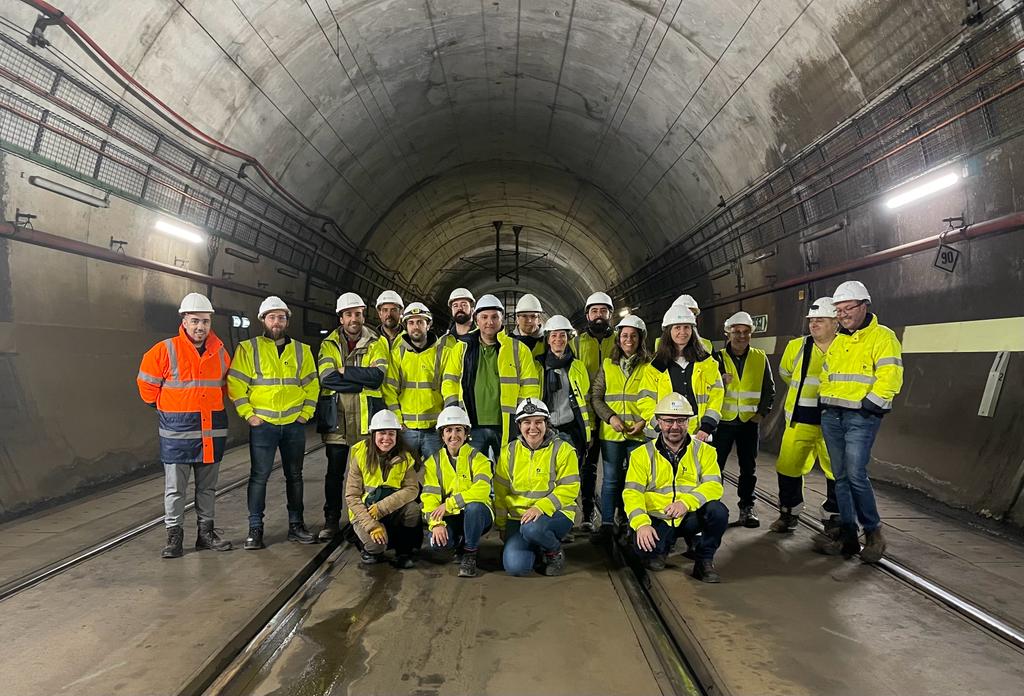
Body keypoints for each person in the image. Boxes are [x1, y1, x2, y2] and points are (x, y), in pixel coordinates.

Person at [137, 293, 232, 558]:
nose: (200, 327)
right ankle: (174, 538)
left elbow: (225, 387)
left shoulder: (220, 352)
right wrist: (167, 407)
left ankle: (205, 534)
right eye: (195, 321)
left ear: (210, 322)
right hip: (176, 433)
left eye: (205, 321)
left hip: (210, 431)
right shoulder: (164, 350)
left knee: (207, 488)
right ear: (184, 321)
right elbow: (146, 388)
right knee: (175, 489)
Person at [815, 281, 903, 563]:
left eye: (847, 308)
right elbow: (827, 372)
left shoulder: (883, 337)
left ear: (864, 306)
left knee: (855, 474)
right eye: (839, 310)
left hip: (860, 417)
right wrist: (825, 398)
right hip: (833, 415)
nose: (843, 315)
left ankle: (874, 532)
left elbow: (891, 375)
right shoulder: (839, 340)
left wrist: (870, 404)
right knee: (839, 477)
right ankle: (849, 536)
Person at [227, 296, 320, 549]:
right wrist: (249, 414)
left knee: (295, 476)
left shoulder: (302, 350)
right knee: (259, 477)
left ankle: (296, 525)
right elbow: (235, 383)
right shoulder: (248, 348)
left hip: (293, 424)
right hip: (263, 425)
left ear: (287, 321)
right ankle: (255, 529)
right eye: (272, 317)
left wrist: (306, 413)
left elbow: (312, 383)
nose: (276, 321)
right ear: (263, 320)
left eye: (281, 317)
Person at [623, 393, 728, 582]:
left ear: (689, 422)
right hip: (658, 517)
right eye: (669, 421)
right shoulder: (641, 455)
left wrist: (686, 502)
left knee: (718, 511)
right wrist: (641, 524)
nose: (675, 427)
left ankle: (704, 561)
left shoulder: (705, 451)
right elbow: (632, 493)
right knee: (645, 555)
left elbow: (714, 485)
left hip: (689, 516)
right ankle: (661, 547)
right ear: (658, 422)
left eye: (681, 420)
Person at [315, 292, 389, 542]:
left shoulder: (376, 341)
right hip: (336, 419)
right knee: (334, 474)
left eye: (357, 313)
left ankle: (368, 521)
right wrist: (360, 380)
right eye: (349, 314)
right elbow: (327, 377)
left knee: (370, 475)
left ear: (363, 315)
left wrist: (345, 371)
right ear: (341, 318)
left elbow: (377, 377)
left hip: (367, 420)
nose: (354, 319)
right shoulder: (329, 344)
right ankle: (331, 521)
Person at [441, 294, 541, 461]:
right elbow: (449, 381)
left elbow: (530, 385)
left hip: (507, 424)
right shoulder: (461, 348)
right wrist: (454, 412)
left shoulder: (518, 349)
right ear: (476, 320)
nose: (490, 322)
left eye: (495, 317)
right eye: (484, 317)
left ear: (502, 319)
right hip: (472, 423)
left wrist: (524, 416)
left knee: (508, 471)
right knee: (473, 471)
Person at [771, 297, 840, 534]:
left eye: (820, 320)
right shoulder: (797, 346)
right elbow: (785, 372)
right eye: (811, 320)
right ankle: (788, 514)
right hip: (799, 420)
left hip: (834, 422)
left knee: (836, 472)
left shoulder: (846, 347)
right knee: (788, 467)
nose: (814, 324)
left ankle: (834, 519)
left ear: (836, 321)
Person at [590, 314, 658, 541]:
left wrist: (644, 422)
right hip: (612, 433)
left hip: (641, 434)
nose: (629, 340)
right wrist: (610, 418)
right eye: (625, 336)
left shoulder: (651, 365)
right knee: (610, 480)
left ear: (641, 339)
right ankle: (608, 523)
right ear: (619, 340)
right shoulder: (608, 365)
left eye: (633, 336)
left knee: (635, 481)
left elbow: (658, 397)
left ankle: (631, 522)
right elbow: (596, 397)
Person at [494, 399, 581, 576]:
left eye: (538, 422)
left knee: (532, 529)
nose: (533, 428)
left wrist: (540, 507)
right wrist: (502, 526)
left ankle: (553, 551)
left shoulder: (563, 450)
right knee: (516, 568)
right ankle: (538, 545)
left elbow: (570, 488)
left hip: (555, 514)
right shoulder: (508, 452)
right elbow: (501, 493)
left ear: (546, 424)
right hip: (518, 519)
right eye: (526, 422)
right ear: (519, 425)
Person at [713, 311, 775, 528]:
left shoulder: (760, 357)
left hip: (748, 423)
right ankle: (713, 507)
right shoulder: (717, 358)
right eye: (736, 332)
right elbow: (704, 387)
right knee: (715, 466)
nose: (741, 336)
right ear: (728, 333)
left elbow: (769, 388)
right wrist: (720, 380)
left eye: (745, 332)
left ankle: (747, 507)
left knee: (748, 468)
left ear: (751, 334)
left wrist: (762, 413)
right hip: (723, 422)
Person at [422, 406, 494, 578]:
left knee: (474, 507)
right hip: (450, 516)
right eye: (448, 430)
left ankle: (469, 552)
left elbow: (482, 490)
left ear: (466, 433)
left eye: (458, 430)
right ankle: (459, 542)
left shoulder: (479, 459)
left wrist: (450, 504)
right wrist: (436, 524)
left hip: (478, 515)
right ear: (442, 435)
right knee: (439, 544)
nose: (454, 435)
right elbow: (429, 496)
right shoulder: (433, 462)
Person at [345, 410, 423, 568]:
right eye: (382, 433)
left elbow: (412, 489)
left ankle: (404, 551)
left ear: (397, 436)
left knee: (413, 509)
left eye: (391, 434)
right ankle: (365, 542)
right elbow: (352, 496)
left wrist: (382, 507)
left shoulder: (405, 457)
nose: (386, 438)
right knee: (376, 547)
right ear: (373, 434)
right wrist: (371, 525)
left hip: (389, 509)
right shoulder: (360, 456)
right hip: (365, 512)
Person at [571, 291, 617, 532]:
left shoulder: (622, 340)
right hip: (587, 418)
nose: (599, 315)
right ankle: (588, 513)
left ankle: (618, 514)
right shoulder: (576, 343)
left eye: (604, 311)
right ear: (587, 315)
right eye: (594, 311)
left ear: (610, 314)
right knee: (587, 469)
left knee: (615, 469)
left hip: (615, 418)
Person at [651, 306, 724, 441]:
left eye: (687, 327)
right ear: (669, 331)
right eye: (677, 327)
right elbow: (646, 400)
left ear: (692, 330)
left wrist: (706, 427)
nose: (682, 332)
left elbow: (717, 396)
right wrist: (660, 426)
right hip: (664, 433)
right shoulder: (657, 365)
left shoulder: (706, 362)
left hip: (699, 433)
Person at [382, 302, 445, 461]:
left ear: (428, 325)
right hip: (406, 430)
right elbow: (389, 390)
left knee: (438, 476)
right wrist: (397, 420)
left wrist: (444, 422)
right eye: (411, 322)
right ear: (406, 326)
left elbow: (450, 389)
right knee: (403, 476)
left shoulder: (443, 354)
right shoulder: (397, 355)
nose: (415, 326)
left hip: (434, 429)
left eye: (420, 322)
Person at [511, 293, 545, 357]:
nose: (529, 320)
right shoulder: (508, 341)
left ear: (539, 319)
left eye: (533, 316)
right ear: (517, 319)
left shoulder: (549, 341)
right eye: (524, 316)